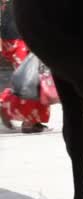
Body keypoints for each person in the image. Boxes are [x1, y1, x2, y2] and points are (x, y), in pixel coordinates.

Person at [0, 0, 50, 133]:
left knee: (36, 76)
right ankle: (29, 121)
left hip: (19, 31)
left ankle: (30, 118)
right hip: (20, 33)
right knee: (32, 78)